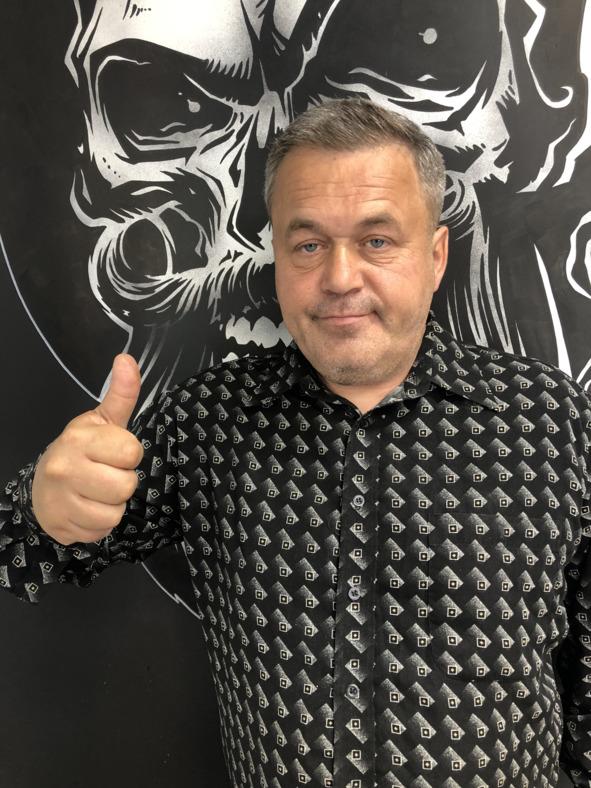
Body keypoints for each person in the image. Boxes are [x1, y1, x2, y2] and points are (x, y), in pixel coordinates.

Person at [0, 98, 589, 788]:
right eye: (307, 245)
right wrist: (41, 508)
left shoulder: (551, 419)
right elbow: (16, 558)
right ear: (277, 257)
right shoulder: (206, 422)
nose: (339, 279)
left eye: (377, 240)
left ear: (434, 257)